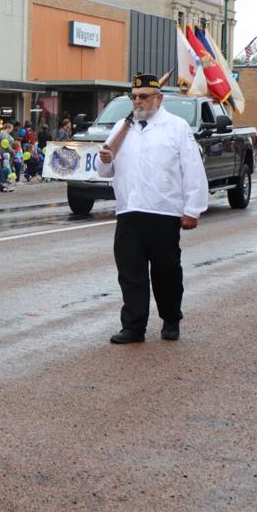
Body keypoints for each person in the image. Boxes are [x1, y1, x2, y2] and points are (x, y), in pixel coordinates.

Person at [99, 73, 208, 344]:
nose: (138, 101)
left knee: (167, 272)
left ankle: (171, 319)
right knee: (130, 273)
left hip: (163, 212)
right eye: (134, 97)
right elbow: (104, 170)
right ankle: (133, 327)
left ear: (159, 99)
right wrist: (104, 158)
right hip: (129, 210)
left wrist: (192, 208)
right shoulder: (122, 128)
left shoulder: (177, 127)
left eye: (144, 96)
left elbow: (192, 168)